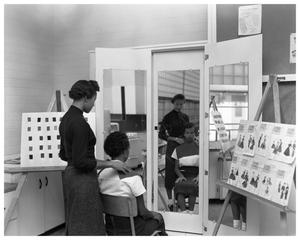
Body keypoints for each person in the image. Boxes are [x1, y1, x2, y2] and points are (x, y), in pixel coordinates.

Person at [59, 80, 131, 235]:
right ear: (85, 97)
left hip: (71, 177)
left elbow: (64, 154)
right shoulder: (79, 123)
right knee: (88, 226)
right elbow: (80, 162)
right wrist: (111, 163)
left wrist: (77, 158)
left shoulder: (66, 119)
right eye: (93, 100)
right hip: (82, 181)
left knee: (75, 221)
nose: (93, 105)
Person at [98, 132, 167, 236]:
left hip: (111, 229)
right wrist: (154, 214)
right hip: (133, 230)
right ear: (126, 151)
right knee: (159, 218)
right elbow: (143, 212)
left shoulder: (101, 174)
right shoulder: (133, 177)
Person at [158, 94, 189, 210]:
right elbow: (161, 134)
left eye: (181, 104)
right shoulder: (167, 117)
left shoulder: (185, 117)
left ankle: (180, 199)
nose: (179, 106)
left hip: (183, 147)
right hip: (171, 146)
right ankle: (170, 201)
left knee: (182, 172)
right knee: (170, 173)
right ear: (173, 103)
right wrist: (175, 139)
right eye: (177, 104)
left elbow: (188, 131)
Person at [171, 123, 199, 213]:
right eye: (187, 133)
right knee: (179, 185)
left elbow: (203, 167)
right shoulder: (178, 149)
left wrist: (198, 177)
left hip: (195, 174)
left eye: (192, 132)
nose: (190, 135)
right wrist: (180, 176)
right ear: (184, 134)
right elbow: (176, 168)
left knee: (192, 185)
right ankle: (183, 213)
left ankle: (190, 212)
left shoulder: (199, 148)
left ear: (195, 134)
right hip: (182, 174)